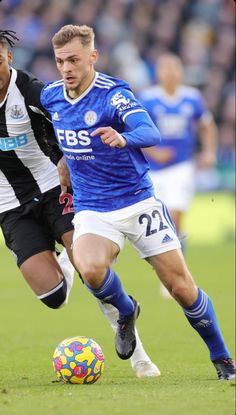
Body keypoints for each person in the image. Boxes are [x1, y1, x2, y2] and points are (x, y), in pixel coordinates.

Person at [40, 24, 235, 380]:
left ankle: (222, 359)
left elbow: (150, 132)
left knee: (182, 288)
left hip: (138, 202)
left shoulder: (113, 93)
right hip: (93, 207)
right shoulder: (51, 96)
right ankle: (126, 311)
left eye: (74, 60)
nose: (66, 68)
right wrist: (63, 160)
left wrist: (123, 137)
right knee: (90, 268)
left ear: (92, 57)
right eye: (60, 61)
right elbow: (53, 132)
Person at [0, 30, 160, 379]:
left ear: (8, 58)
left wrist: (64, 160)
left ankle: (140, 357)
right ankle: (64, 264)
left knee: (92, 271)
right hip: (10, 204)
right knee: (53, 296)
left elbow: (67, 120)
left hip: (56, 188)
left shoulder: (32, 92)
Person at [139, 53, 218, 298]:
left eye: (175, 69)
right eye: (166, 69)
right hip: (153, 170)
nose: (170, 73)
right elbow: (136, 131)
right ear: (159, 73)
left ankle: (176, 275)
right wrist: (153, 152)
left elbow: (207, 126)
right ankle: (168, 271)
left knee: (175, 218)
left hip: (181, 167)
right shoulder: (148, 99)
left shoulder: (192, 98)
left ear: (181, 72)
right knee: (159, 223)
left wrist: (209, 152)